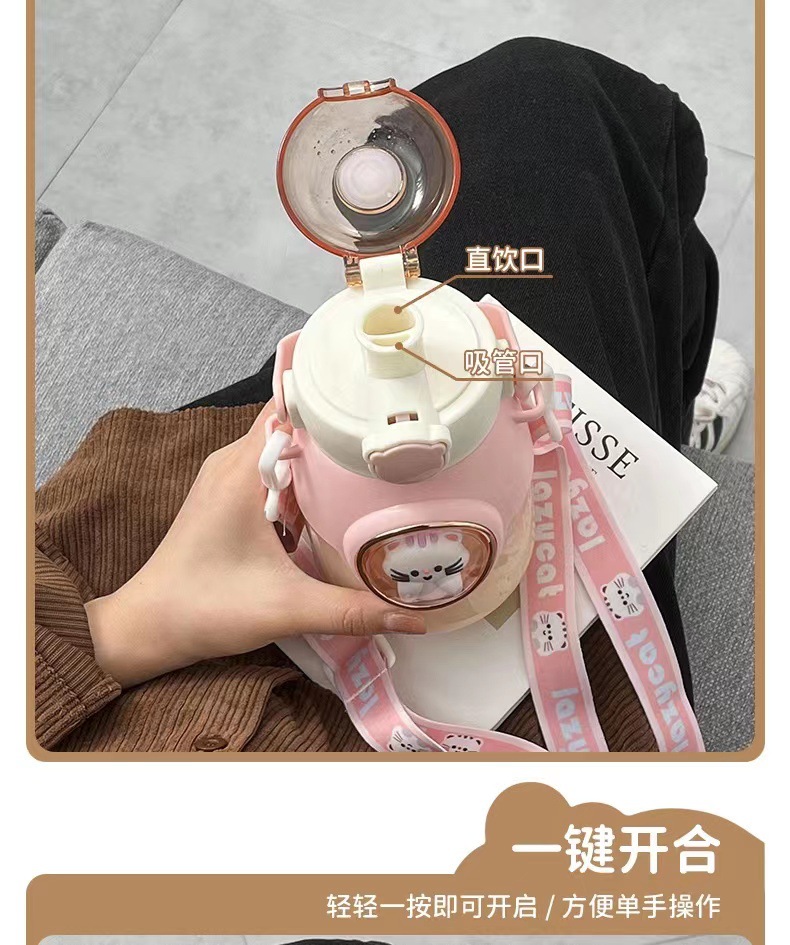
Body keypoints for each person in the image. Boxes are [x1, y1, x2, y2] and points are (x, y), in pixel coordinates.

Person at [35, 37, 721, 752]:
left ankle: (666, 408)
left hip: (110, 607)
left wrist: (123, 629)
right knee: (550, 100)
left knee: (539, 102)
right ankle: (669, 407)